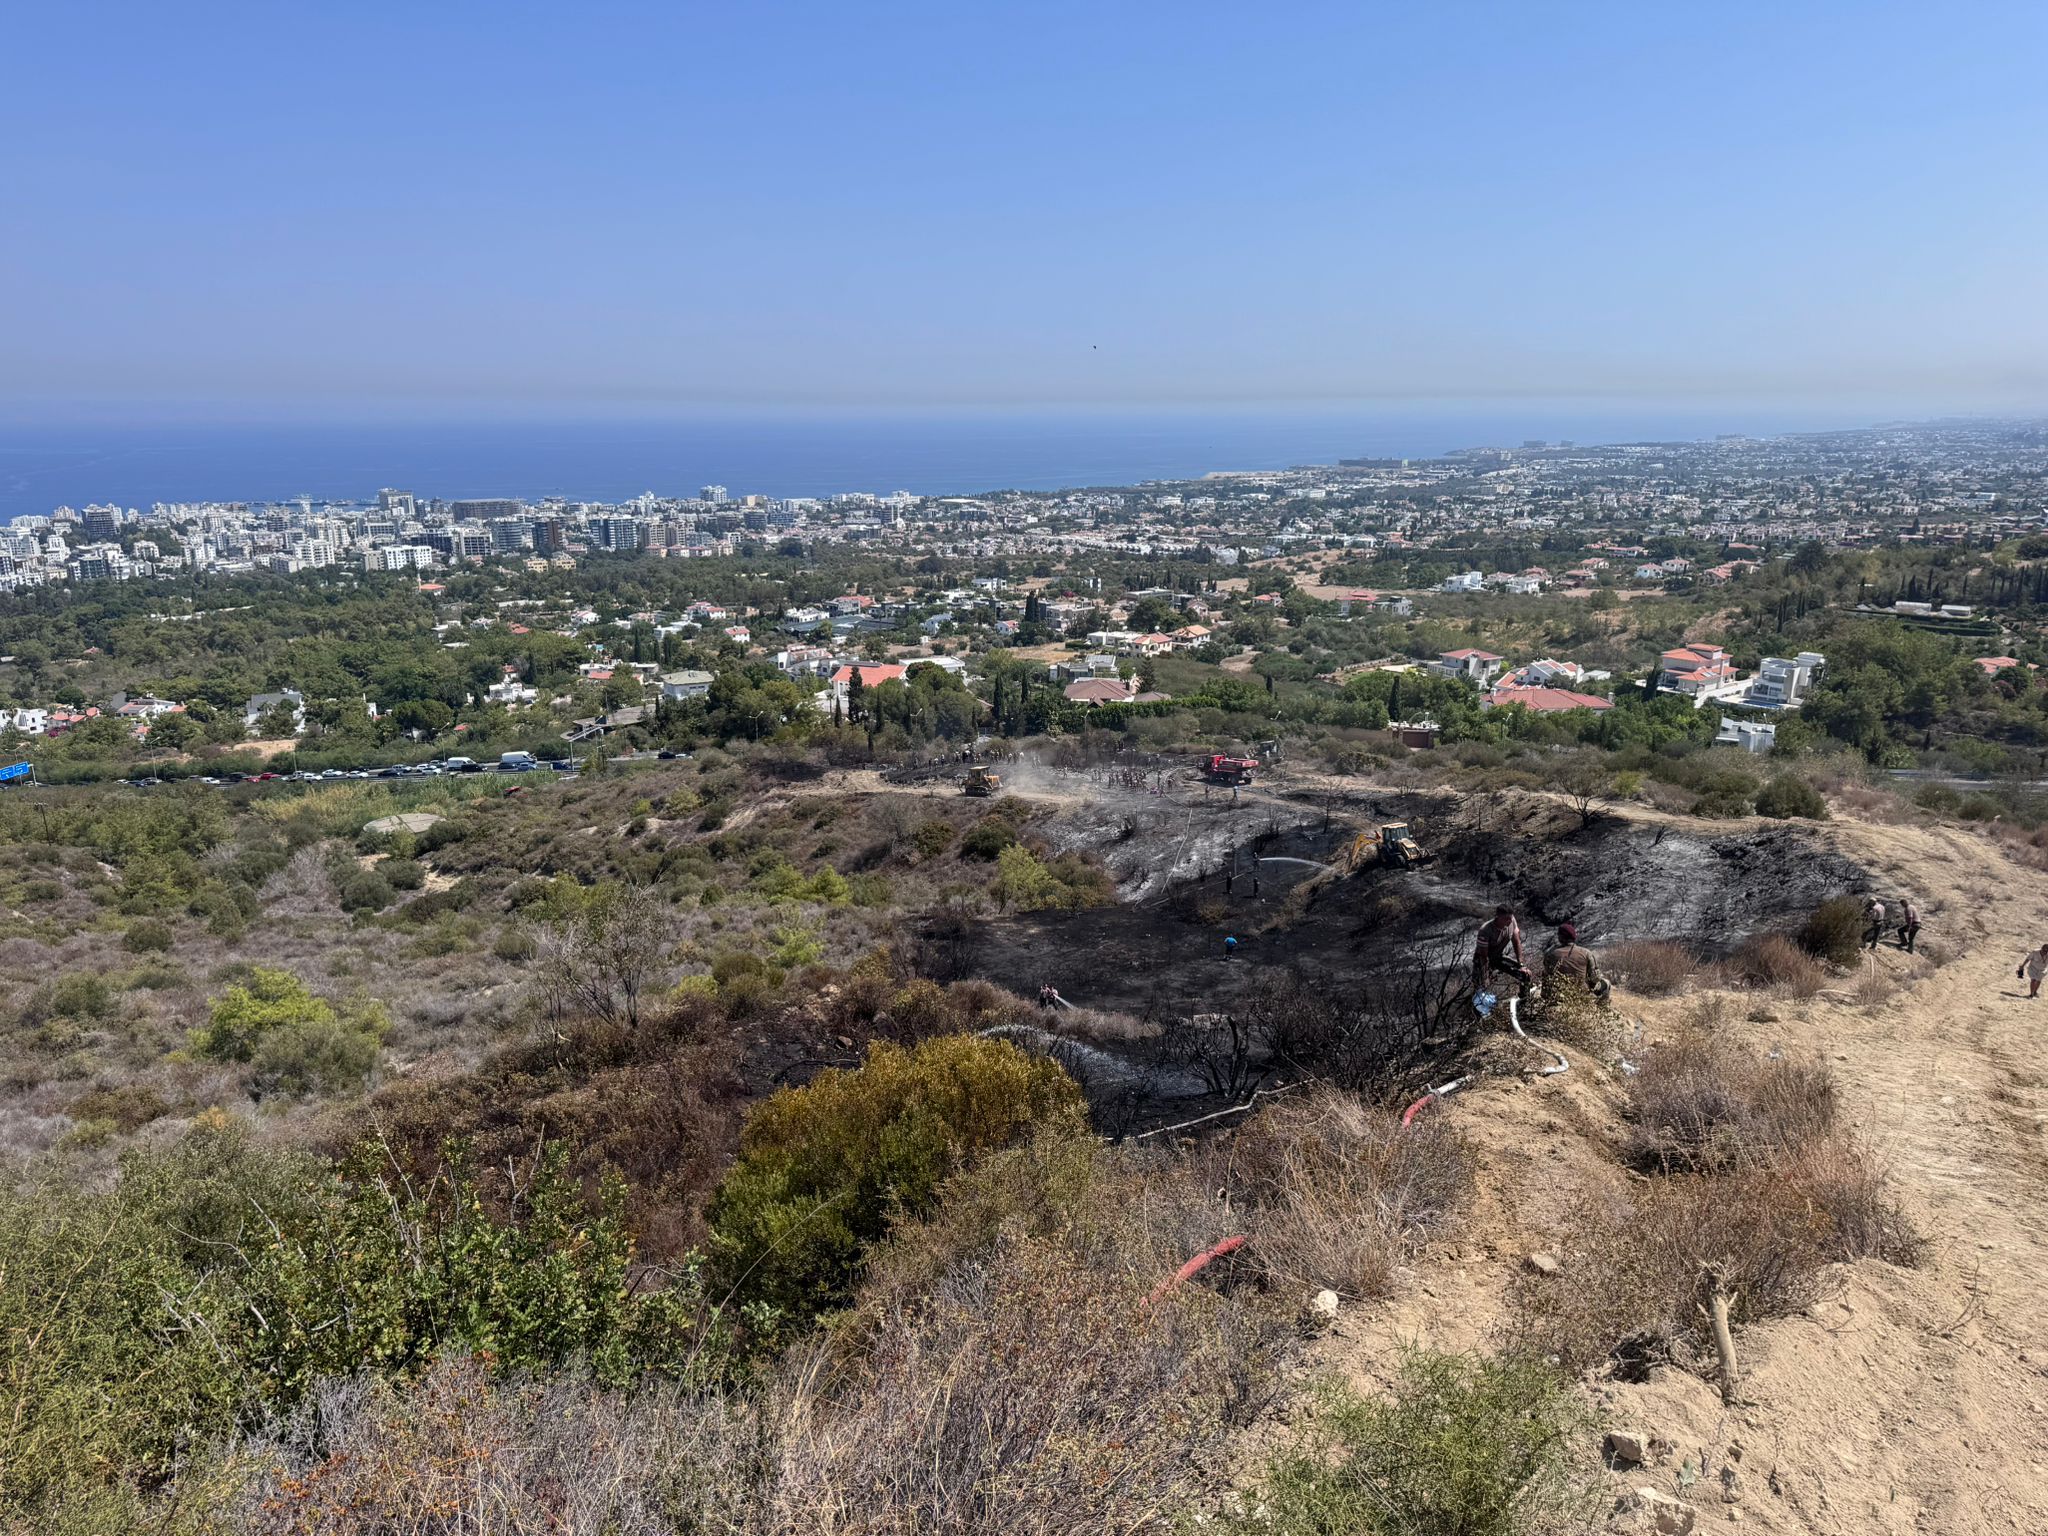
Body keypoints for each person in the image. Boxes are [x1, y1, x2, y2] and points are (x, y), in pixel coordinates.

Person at [1546, 922, 1610, 1003]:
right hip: (1580, 994)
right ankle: (1601, 1011)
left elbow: (1547, 974)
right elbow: (1595, 978)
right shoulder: (1586, 953)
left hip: (1558, 995)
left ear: (1561, 937)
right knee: (1606, 983)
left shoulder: (1551, 954)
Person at [1474, 905, 1532, 994]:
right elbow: (1483, 956)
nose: (1509, 921)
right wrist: (1485, 976)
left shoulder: (1512, 921)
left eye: (1510, 918)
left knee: (1525, 974)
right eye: (1506, 919)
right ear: (1498, 917)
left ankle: (1525, 999)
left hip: (1498, 957)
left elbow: (1516, 942)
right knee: (1481, 988)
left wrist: (1521, 964)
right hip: (1482, 961)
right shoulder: (1485, 930)